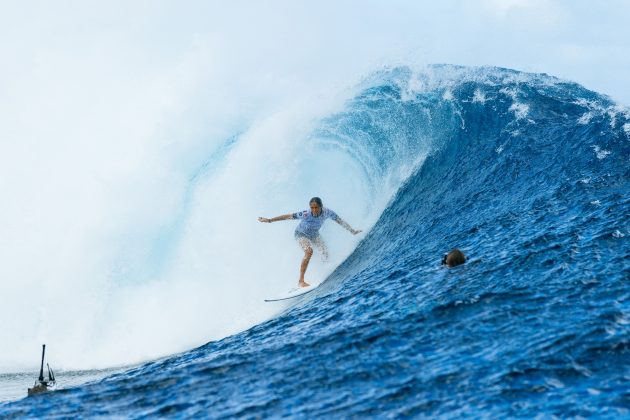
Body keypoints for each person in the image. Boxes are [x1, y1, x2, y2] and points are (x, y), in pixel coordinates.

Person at [258, 197, 362, 288]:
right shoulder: (306, 214)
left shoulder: (328, 212)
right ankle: (301, 281)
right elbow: (287, 216)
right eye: (312, 207)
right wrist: (270, 220)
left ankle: (325, 269)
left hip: (314, 235)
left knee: (325, 252)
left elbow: (339, 220)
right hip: (300, 234)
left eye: (316, 207)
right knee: (309, 251)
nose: (314, 210)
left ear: (321, 206)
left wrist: (352, 230)